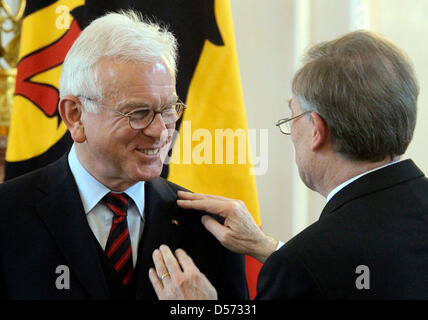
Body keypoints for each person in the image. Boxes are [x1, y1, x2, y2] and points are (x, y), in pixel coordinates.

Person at [149, 30, 428, 300]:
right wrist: (269, 249)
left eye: (292, 116)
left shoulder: (306, 262)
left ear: (317, 130)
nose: (291, 131)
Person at [0, 10, 248, 300]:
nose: (161, 131)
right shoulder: (8, 216)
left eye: (168, 109)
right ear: (75, 115)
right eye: (139, 113)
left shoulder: (210, 230)